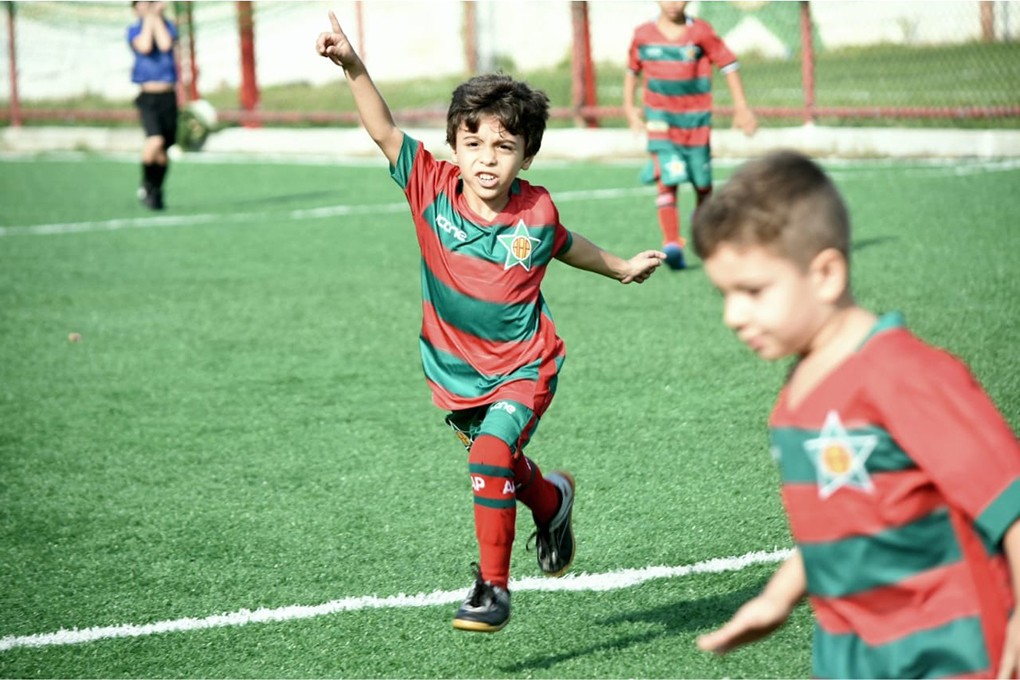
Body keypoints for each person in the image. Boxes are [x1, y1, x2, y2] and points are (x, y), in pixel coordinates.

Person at [315, 12, 665, 633]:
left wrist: (618, 267)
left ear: (526, 154)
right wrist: (352, 66)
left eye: (505, 147)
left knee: (493, 452)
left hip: (527, 364)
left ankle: (493, 590)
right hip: (453, 370)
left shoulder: (536, 208)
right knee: (496, 461)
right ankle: (552, 502)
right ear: (453, 145)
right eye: (473, 143)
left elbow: (561, 242)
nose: (487, 160)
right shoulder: (427, 185)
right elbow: (382, 129)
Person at [691, 149, 1020, 678]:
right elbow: (844, 521)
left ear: (824, 274)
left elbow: (1010, 498)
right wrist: (778, 598)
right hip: (851, 651)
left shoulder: (905, 374)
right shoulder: (798, 390)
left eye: (752, 291)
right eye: (723, 294)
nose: (733, 315)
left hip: (950, 648)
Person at [624, 0, 757, 271]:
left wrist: (741, 107)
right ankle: (672, 243)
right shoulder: (643, 35)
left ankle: (705, 239)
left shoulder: (701, 32)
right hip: (661, 122)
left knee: (702, 185)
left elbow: (729, 64)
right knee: (667, 180)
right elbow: (631, 71)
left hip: (696, 123)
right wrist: (629, 108)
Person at [127, 1, 178, 210]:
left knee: (164, 150)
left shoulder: (169, 26)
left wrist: (156, 18)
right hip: (148, 96)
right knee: (154, 140)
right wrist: (149, 18)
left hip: (168, 96)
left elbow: (165, 44)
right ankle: (146, 184)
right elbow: (146, 46)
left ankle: (156, 189)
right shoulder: (133, 30)